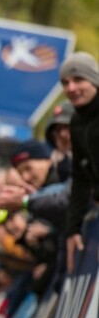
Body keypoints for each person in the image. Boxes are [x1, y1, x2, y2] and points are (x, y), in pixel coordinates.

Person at [59, 52, 99, 274]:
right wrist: (72, 230)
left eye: (78, 80)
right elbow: (80, 178)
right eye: (65, 83)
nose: (71, 88)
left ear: (94, 80)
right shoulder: (76, 122)